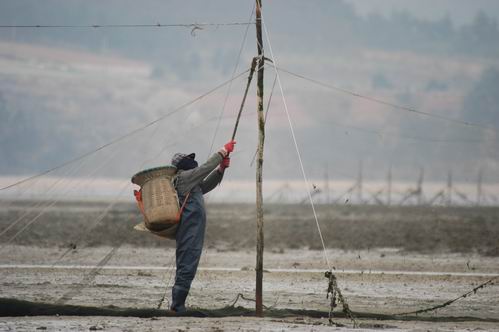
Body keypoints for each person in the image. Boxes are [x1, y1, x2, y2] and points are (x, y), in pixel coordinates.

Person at [169, 140, 235, 313]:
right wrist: (222, 151)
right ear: (183, 166)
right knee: (187, 262)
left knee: (188, 261)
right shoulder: (183, 177)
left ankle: (178, 304)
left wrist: (220, 170)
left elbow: (205, 185)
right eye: (189, 160)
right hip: (189, 229)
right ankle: (177, 306)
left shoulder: (191, 182)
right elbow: (205, 168)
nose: (193, 162)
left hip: (193, 229)